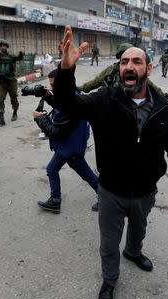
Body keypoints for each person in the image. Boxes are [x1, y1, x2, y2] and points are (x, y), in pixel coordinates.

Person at [53, 25, 168, 299]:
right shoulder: (105, 99)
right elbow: (68, 104)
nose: (129, 66)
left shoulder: (165, 108)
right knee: (108, 243)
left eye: (136, 61)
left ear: (148, 69)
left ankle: (134, 252)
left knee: (139, 231)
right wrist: (66, 70)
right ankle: (110, 280)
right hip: (111, 192)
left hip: (145, 192)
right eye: (124, 61)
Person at [26, 69, 99, 213]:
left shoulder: (71, 105)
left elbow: (55, 132)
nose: (50, 88)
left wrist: (39, 118)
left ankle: (105, 197)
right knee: (51, 169)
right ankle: (55, 201)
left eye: (53, 85)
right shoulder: (71, 96)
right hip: (68, 146)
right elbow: (61, 105)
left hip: (70, 148)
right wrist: (47, 96)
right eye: (50, 85)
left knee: (86, 174)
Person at [77, 43, 168, 100]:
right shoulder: (111, 70)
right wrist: (79, 88)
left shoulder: (112, 70)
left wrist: (162, 95)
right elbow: (95, 82)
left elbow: (149, 85)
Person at [0, 39, 24, 125]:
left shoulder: (11, 57)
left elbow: (19, 57)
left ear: (7, 47)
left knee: (13, 97)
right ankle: (1, 118)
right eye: (1, 46)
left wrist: (21, 54)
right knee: (0, 99)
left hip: (11, 81)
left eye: (4, 46)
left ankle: (15, 112)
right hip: (2, 82)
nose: (3, 47)